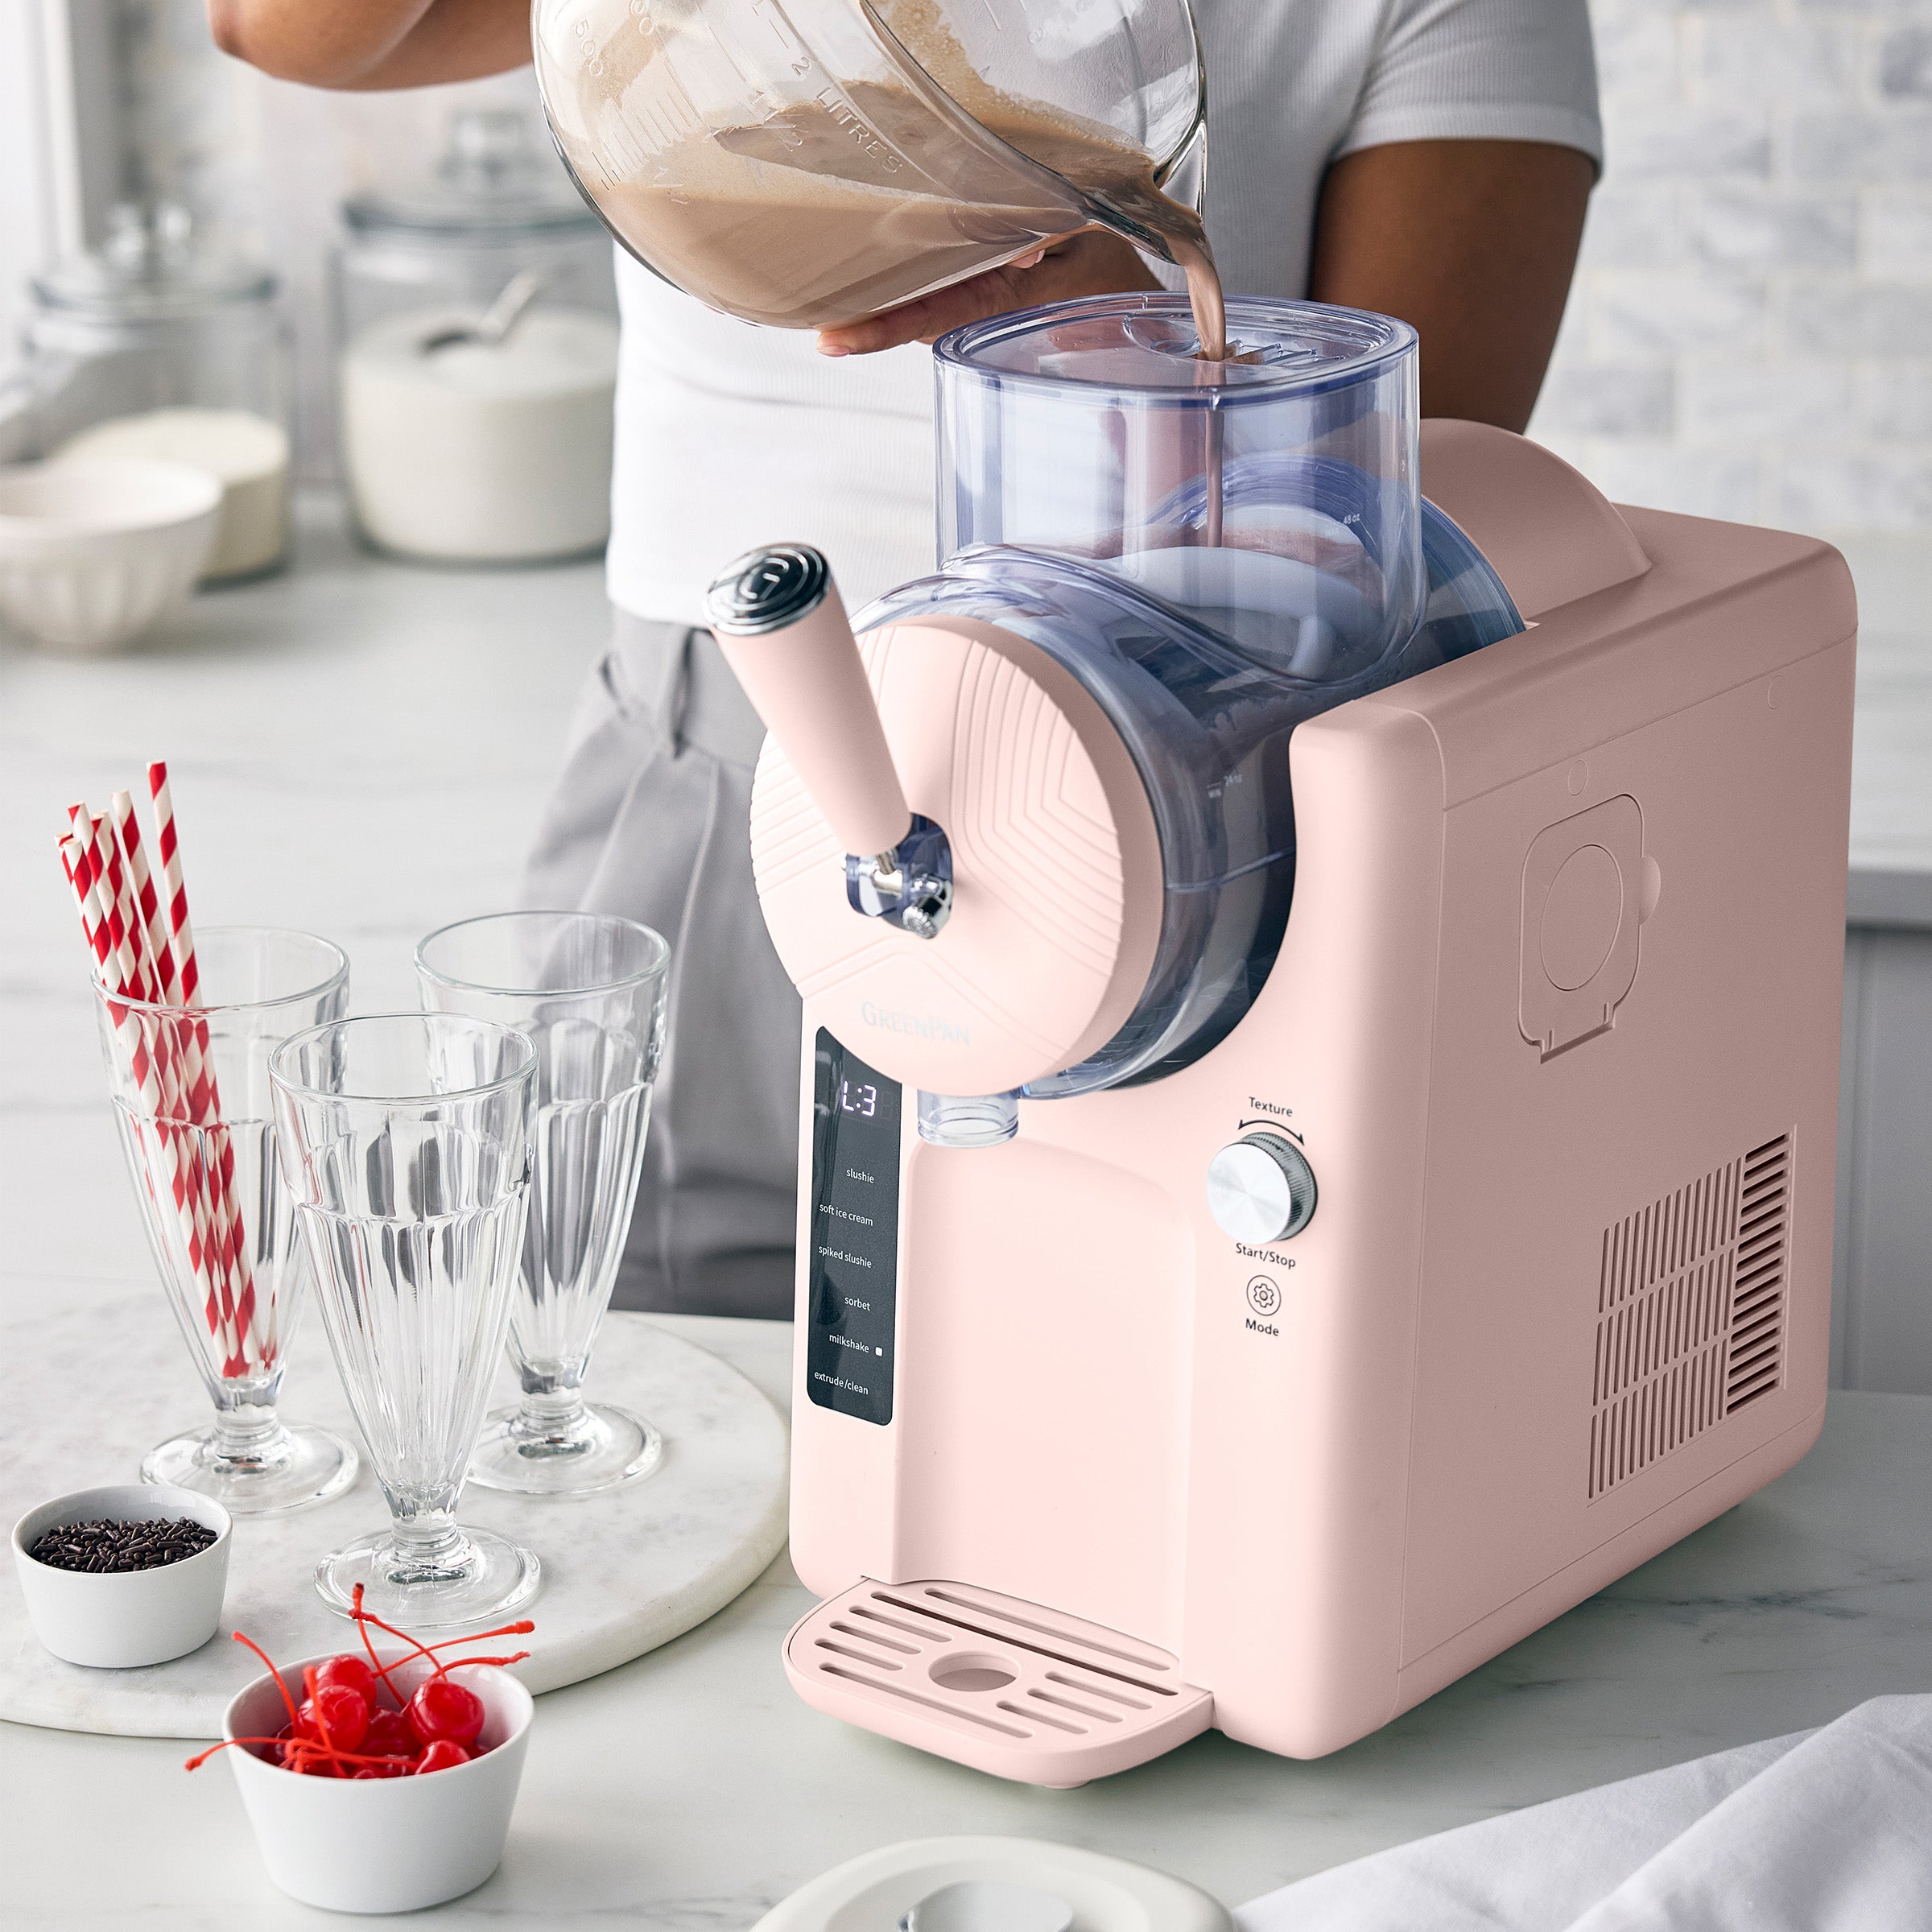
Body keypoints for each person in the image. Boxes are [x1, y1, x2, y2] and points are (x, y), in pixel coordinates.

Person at [213, 0, 1601, 1319]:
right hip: (729, 759)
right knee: (634, 1388)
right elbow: (280, 29)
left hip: (1198, 818)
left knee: (1110, 1442)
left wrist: (1119, 331)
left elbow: (1409, 526)